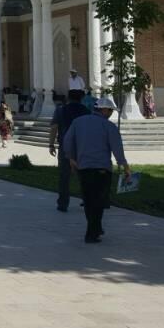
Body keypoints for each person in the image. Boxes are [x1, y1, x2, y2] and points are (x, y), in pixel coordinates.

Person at [63, 97, 131, 243]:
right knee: (99, 201)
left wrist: (71, 158)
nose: (111, 114)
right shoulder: (109, 126)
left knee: (88, 200)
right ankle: (91, 232)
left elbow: (67, 141)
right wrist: (125, 167)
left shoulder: (78, 122)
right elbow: (117, 148)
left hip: (84, 168)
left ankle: (95, 228)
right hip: (102, 170)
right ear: (104, 110)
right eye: (111, 111)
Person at [49, 89, 90, 212]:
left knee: (64, 176)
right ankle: (87, 200)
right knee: (83, 174)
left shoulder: (60, 110)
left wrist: (51, 144)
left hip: (65, 147)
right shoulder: (86, 111)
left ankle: (63, 203)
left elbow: (54, 127)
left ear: (68, 98)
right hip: (82, 147)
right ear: (81, 98)